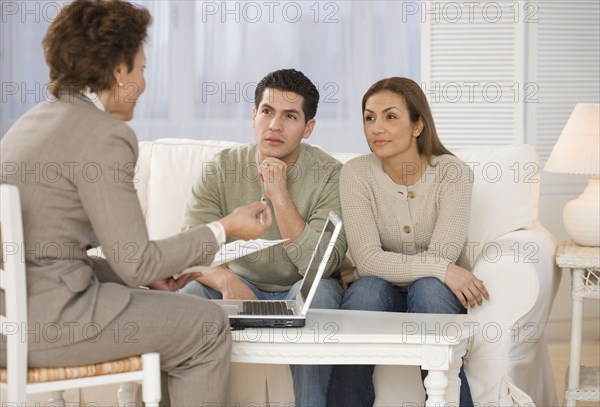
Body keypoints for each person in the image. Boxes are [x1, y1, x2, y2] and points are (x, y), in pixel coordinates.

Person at [0, 1, 272, 405]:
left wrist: (143, 277)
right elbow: (137, 260)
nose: (144, 82)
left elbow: (45, 256)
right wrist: (225, 228)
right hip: (54, 325)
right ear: (118, 70)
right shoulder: (104, 135)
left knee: (169, 310)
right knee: (208, 325)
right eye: (142, 68)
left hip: (13, 324)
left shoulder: (29, 123)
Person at [180, 68, 347, 406]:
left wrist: (279, 194)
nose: (274, 125)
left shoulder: (329, 174)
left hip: (297, 289)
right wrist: (224, 279)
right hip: (239, 284)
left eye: (290, 116)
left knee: (325, 294)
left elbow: (322, 265)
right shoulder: (221, 168)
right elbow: (189, 247)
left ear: (308, 128)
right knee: (189, 294)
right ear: (253, 115)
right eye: (267, 112)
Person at [326, 77, 490, 407]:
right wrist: (446, 270)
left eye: (390, 116)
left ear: (418, 125)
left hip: (435, 294)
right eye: (369, 117)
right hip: (380, 290)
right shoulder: (356, 173)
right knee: (366, 291)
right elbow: (368, 261)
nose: (376, 128)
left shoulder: (452, 173)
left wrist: (443, 270)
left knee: (429, 287)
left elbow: (442, 255)